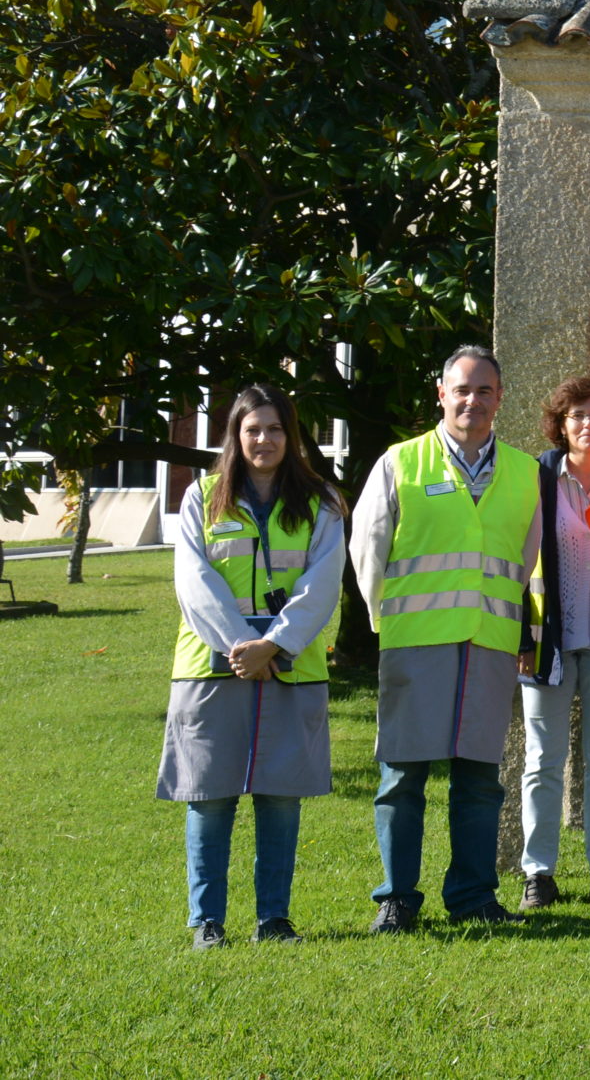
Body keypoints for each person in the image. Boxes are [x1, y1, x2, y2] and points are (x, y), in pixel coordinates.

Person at [351, 345, 542, 932]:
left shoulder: (525, 471)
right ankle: (397, 898)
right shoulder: (399, 463)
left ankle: (473, 896)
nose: (472, 401)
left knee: (480, 778)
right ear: (441, 394)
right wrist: (388, 620)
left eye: (484, 390)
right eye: (461, 389)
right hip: (415, 641)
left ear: (500, 398)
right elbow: (367, 550)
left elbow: (529, 561)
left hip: (488, 642)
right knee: (403, 776)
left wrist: (522, 632)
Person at [159, 386, 346, 948]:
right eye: (252, 430)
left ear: (292, 436)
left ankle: (274, 919)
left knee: (280, 797)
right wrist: (244, 645)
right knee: (209, 797)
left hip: (290, 668)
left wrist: (276, 644)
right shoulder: (203, 496)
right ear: (235, 437)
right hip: (212, 668)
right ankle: (206, 922)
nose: (264, 440)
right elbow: (194, 581)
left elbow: (322, 582)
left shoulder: (323, 502)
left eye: (275, 429)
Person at [517, 377, 590, 911]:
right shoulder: (536, 478)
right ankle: (538, 873)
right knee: (542, 760)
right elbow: (517, 563)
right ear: (561, 425)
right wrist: (520, 634)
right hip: (548, 643)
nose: (589, 424)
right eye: (578, 415)